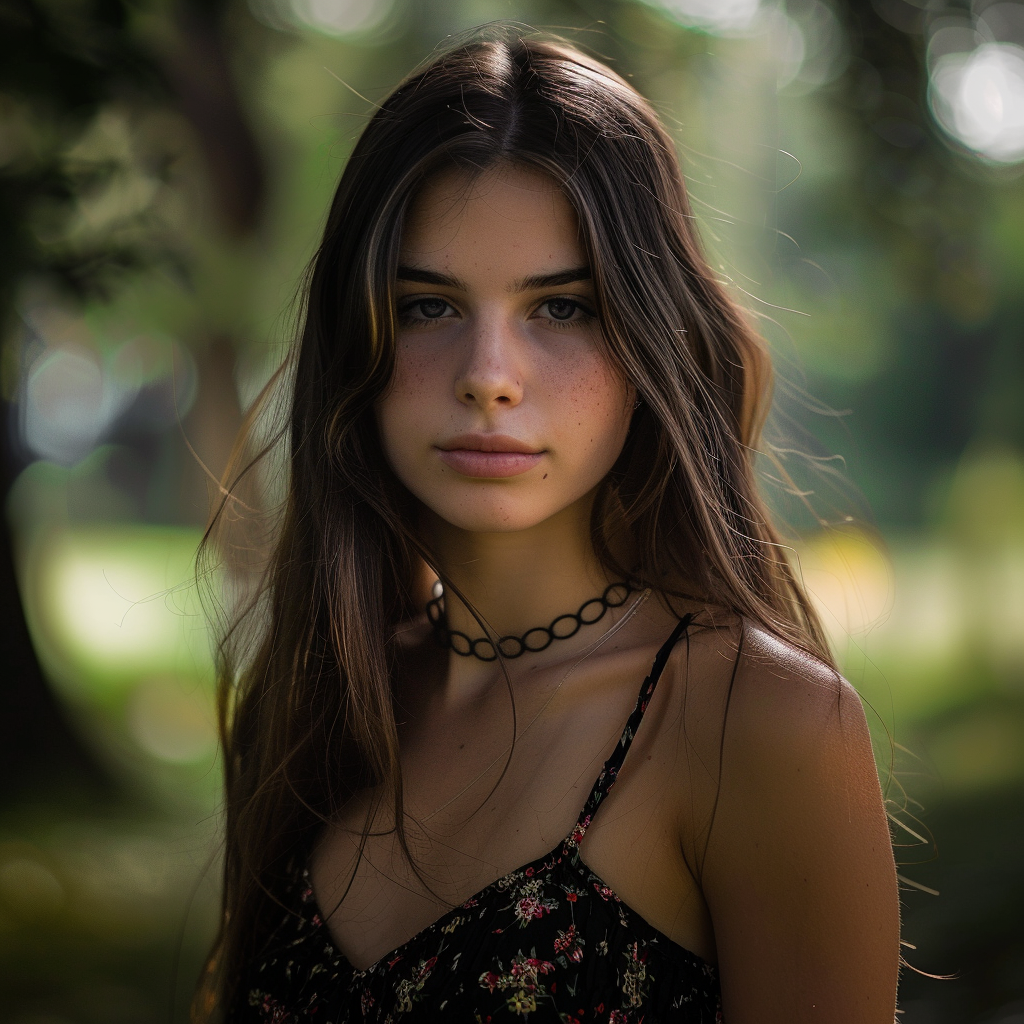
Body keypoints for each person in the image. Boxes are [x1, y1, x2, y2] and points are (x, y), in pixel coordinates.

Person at [197, 28, 901, 1024]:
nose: (490, 374)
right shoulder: (320, 699)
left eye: (561, 308)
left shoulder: (755, 722)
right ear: (354, 337)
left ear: (650, 336)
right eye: (429, 305)